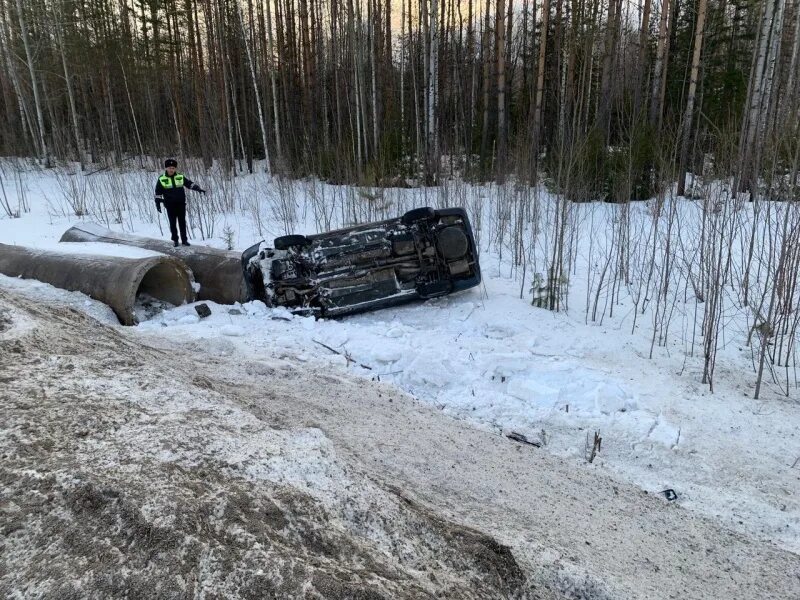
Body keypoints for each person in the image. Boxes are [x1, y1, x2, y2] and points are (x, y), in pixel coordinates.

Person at [154, 159, 206, 247]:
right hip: (170, 205)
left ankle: (184, 240)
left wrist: (198, 188)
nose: (171, 170)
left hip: (181, 204)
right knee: (173, 223)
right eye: (170, 168)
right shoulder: (162, 179)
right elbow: (158, 192)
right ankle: (175, 240)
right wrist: (157, 204)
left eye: (173, 168)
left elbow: (189, 184)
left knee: (182, 223)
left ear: (175, 169)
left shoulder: (180, 177)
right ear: (166, 168)